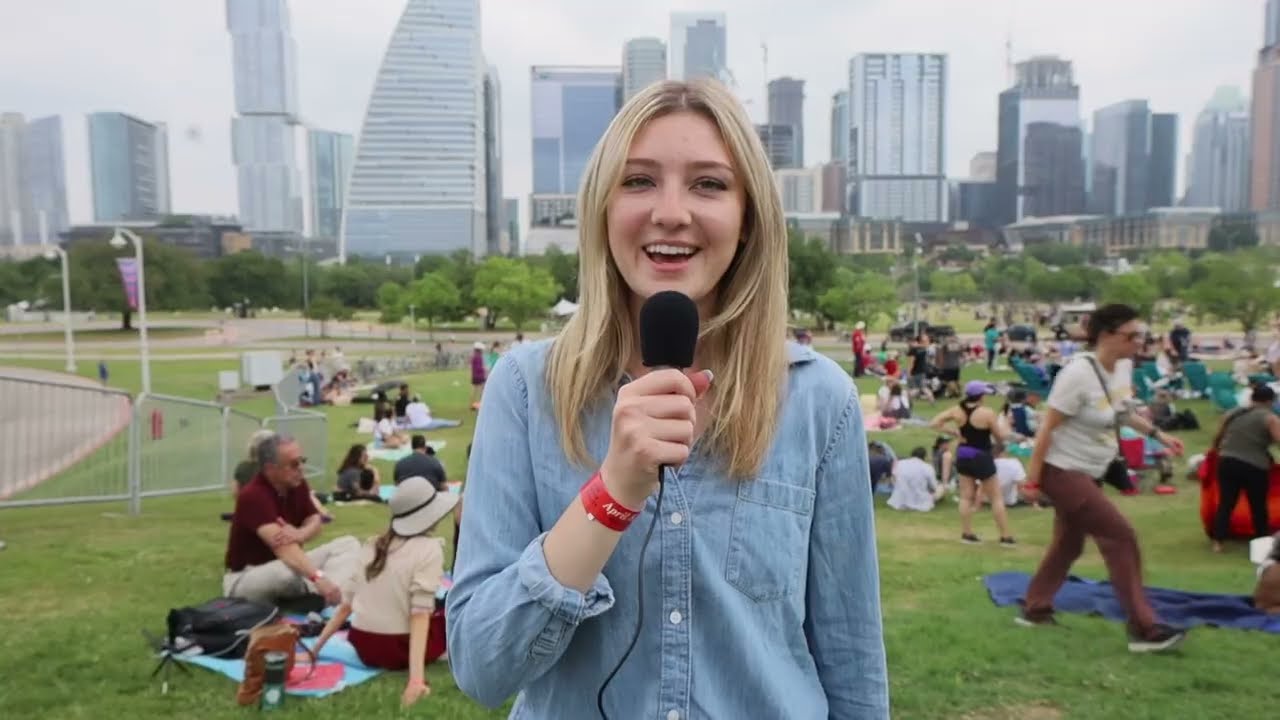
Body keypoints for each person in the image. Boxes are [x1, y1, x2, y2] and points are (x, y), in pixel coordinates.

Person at [446, 79, 889, 719]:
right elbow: (483, 666)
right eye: (638, 181)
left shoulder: (821, 401)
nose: (672, 212)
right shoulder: (524, 388)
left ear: (747, 220)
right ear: (602, 209)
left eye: (709, 184)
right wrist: (613, 492)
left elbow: (852, 659)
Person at [1020, 303, 1188, 653]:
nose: (1139, 342)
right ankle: (1144, 628)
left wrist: (1159, 435)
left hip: (1090, 470)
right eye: (1132, 336)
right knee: (1120, 537)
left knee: (1068, 543)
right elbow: (1046, 429)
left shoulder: (1123, 367)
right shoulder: (1077, 374)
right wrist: (1032, 482)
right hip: (1063, 470)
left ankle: (1035, 609)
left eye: (1141, 335)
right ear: (1107, 335)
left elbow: (1123, 412)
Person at [312, 476, 459, 709]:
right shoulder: (429, 549)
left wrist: (315, 650)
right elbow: (419, 615)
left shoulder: (372, 545)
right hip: (397, 648)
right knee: (455, 615)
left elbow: (345, 607)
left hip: (363, 647)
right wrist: (416, 680)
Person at [223, 434, 361, 606]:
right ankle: (321, 593)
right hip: (247, 577)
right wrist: (318, 577)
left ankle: (326, 595)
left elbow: (315, 519)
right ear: (270, 468)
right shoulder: (253, 496)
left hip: (290, 563)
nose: (301, 468)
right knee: (286, 574)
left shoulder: (296, 483)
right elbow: (284, 547)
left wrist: (301, 534)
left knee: (348, 544)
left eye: (302, 460)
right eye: (294, 464)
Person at [929, 381, 1017, 546]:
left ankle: (967, 533)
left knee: (965, 496)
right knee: (996, 497)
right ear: (981, 396)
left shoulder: (956, 410)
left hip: (963, 454)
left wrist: (954, 432)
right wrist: (1000, 445)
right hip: (981, 455)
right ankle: (1006, 536)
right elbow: (999, 437)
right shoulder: (987, 413)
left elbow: (934, 423)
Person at [1209, 384, 1280, 552]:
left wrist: (1216, 454)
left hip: (1226, 462)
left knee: (1226, 503)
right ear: (1270, 401)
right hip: (1254, 465)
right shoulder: (1270, 418)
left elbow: (1218, 437)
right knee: (1258, 505)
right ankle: (1262, 542)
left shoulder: (1232, 413)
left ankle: (1217, 542)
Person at [887, 447, 945, 512]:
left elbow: (893, 478)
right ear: (924, 457)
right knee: (941, 487)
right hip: (921, 502)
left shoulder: (900, 463)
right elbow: (934, 486)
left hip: (898, 501)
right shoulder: (927, 467)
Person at [470, 342, 487, 411]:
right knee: (481, 391)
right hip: (480, 376)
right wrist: (484, 369)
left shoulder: (473, 357)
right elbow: (479, 367)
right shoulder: (479, 357)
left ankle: (472, 404)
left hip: (474, 376)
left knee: (474, 390)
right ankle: (478, 404)